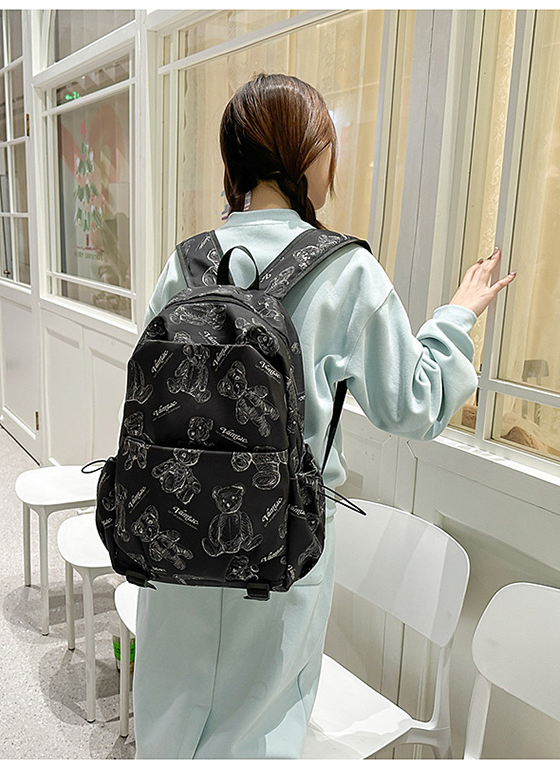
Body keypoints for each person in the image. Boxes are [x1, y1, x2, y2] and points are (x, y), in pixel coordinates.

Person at [131, 72, 516, 760]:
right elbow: (414, 405)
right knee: (262, 722)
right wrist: (457, 315)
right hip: (282, 540)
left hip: (176, 527)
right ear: (309, 156)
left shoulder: (186, 264)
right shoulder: (345, 272)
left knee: (170, 704)